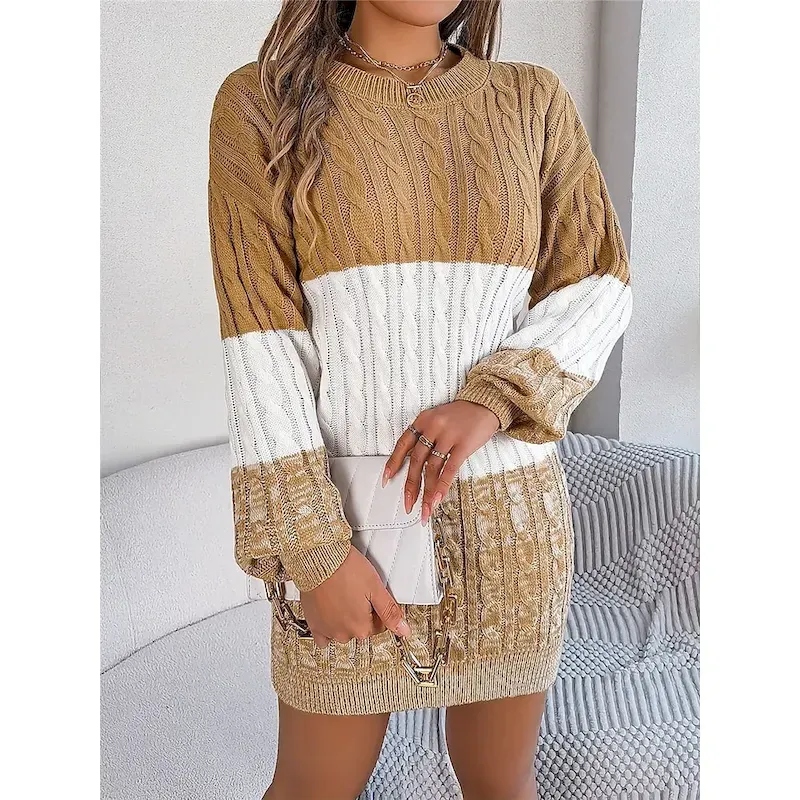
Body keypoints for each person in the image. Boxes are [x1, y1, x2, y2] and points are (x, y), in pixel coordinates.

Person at [207, 2, 632, 798]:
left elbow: (598, 284)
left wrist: (495, 398)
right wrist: (315, 549)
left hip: (513, 531)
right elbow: (261, 348)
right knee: (310, 788)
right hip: (352, 529)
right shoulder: (260, 105)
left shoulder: (530, 99)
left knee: (501, 784)